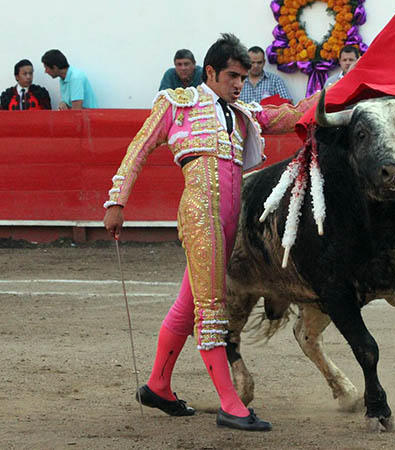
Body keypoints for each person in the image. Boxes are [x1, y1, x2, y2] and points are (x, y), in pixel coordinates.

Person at [103, 33, 317, 431]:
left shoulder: (243, 113)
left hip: (229, 222)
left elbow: (289, 116)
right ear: (211, 72)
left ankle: (158, 386)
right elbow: (139, 148)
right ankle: (230, 404)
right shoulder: (178, 103)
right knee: (211, 308)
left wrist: (340, 92)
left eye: (243, 77)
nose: (239, 84)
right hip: (202, 215)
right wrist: (117, 200)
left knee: (188, 306)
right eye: (232, 76)